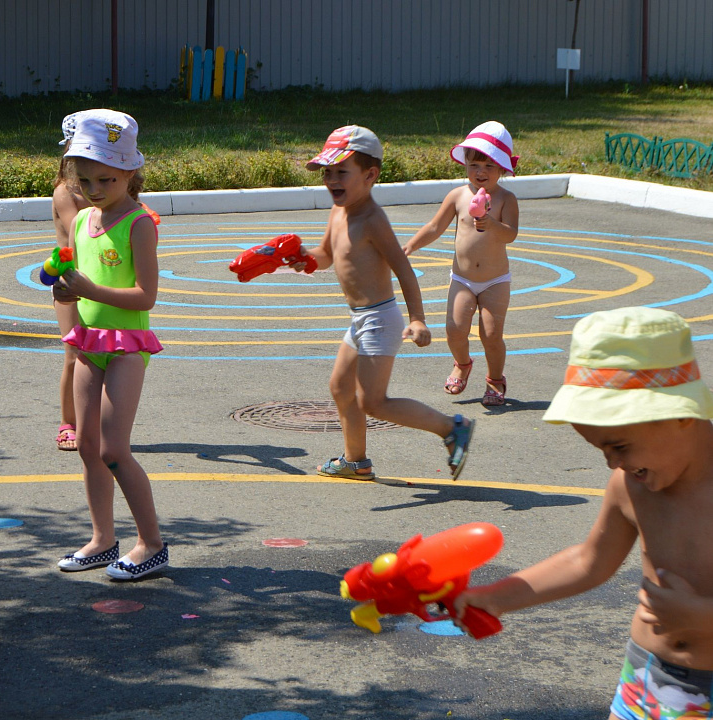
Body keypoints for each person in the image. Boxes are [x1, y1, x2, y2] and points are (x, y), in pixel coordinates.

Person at [456, 307, 713, 720]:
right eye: (602, 450)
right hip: (646, 676)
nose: (613, 464)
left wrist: (701, 618)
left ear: (680, 414)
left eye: (620, 446)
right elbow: (588, 561)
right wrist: (495, 597)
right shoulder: (631, 485)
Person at [295, 126, 476, 481]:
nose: (331, 180)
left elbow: (405, 272)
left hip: (380, 318)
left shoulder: (372, 220)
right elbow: (327, 256)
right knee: (340, 387)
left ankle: (452, 427)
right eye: (327, 173)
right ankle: (355, 461)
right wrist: (299, 257)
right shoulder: (339, 212)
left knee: (372, 401)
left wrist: (418, 319)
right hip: (360, 320)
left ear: (370, 175)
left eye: (340, 172)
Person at [51, 109, 169, 582]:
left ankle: (152, 544)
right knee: (86, 444)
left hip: (126, 346)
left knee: (114, 449)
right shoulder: (84, 222)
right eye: (86, 180)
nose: (95, 189)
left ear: (130, 173)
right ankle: (102, 539)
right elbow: (79, 279)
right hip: (89, 340)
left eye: (106, 178)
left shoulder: (139, 224)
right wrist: (63, 287)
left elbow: (146, 296)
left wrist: (86, 290)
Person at [403, 121, 520, 406]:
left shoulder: (506, 199)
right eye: (474, 165)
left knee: (491, 334)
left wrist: (490, 223)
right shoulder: (458, 196)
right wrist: (408, 247)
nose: (481, 172)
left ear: (503, 169)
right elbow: (434, 226)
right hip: (463, 278)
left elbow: (511, 234)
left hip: (495, 280)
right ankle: (462, 363)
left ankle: (495, 379)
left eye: (489, 166)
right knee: (455, 330)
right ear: (465, 164)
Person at [51, 112, 93, 452]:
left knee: (106, 354)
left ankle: (99, 420)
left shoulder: (109, 187)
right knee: (74, 353)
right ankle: (69, 422)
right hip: (70, 285)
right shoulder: (66, 193)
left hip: (103, 282)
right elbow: (80, 228)